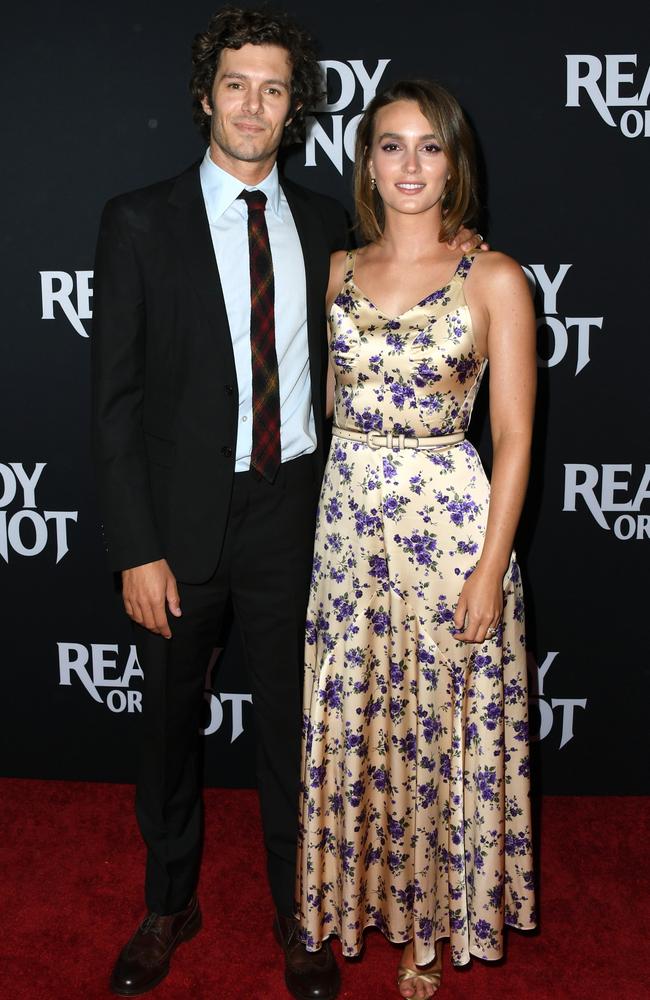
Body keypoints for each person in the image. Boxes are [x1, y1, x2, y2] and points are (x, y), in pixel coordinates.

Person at [92, 6, 481, 996]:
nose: (254, 103)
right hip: (177, 527)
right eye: (236, 84)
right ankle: (167, 901)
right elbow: (116, 400)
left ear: (294, 104)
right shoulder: (138, 220)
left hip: (300, 518)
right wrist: (136, 546)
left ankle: (300, 908)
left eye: (273, 87)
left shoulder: (325, 227)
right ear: (205, 96)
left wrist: (460, 240)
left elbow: (412, 271)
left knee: (297, 734)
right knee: (168, 726)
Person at [296, 79, 536, 999]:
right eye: (390, 145)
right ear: (366, 161)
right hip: (348, 535)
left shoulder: (496, 278)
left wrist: (490, 567)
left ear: (454, 162)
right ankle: (366, 902)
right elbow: (317, 402)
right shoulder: (334, 273)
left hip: (450, 530)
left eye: (428, 146)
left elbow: (514, 436)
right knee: (364, 726)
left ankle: (428, 925)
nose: (409, 164)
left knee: (438, 730)